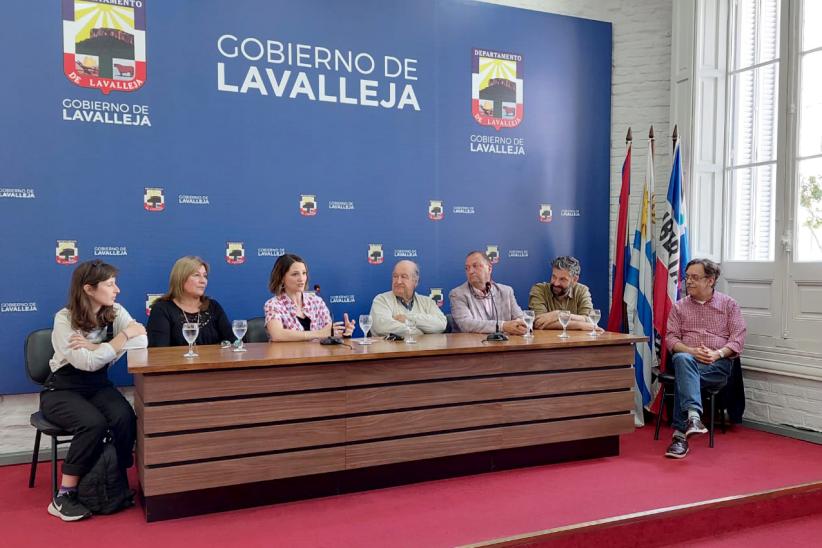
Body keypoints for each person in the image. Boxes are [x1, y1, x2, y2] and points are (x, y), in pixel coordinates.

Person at [40, 260, 148, 521]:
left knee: (124, 417)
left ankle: (115, 480)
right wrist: (120, 339)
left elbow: (142, 339)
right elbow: (85, 363)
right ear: (89, 289)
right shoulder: (63, 318)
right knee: (93, 424)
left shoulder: (115, 310)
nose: (117, 290)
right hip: (62, 389)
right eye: (110, 284)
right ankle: (64, 495)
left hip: (97, 386)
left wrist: (95, 347)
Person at [664, 258, 746, 459]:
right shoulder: (679, 307)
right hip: (687, 360)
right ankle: (691, 420)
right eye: (687, 277)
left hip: (716, 365)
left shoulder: (729, 305)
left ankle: (681, 435)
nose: (688, 282)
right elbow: (671, 338)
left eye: (694, 277)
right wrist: (691, 351)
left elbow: (738, 338)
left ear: (710, 280)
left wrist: (717, 353)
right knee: (683, 360)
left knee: (684, 374)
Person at [264, 253, 355, 341]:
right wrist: (319, 333)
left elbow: (328, 333)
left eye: (304, 273)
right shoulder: (273, 304)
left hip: (319, 355)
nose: (301, 278)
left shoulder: (316, 301)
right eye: (295, 274)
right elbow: (277, 335)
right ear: (282, 278)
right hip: (289, 356)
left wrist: (344, 335)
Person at [147, 256, 234, 347]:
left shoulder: (213, 306)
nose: (203, 281)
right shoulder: (162, 309)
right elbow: (159, 353)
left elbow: (233, 341)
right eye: (196, 275)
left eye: (204, 276)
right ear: (180, 278)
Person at [449, 251, 527, 335]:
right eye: (467, 268)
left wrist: (520, 325)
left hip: (505, 345)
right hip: (473, 345)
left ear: (489, 268)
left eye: (475, 266)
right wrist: (503, 326)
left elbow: (520, 318)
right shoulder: (458, 294)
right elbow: (466, 324)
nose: (470, 271)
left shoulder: (506, 291)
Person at [370, 260, 447, 336]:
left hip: (423, 348)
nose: (398, 281)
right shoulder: (381, 300)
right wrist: (418, 332)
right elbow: (381, 327)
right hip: (391, 348)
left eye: (404, 277)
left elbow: (441, 324)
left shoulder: (427, 302)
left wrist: (407, 318)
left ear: (416, 281)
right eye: (395, 276)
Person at [528, 256, 599, 332]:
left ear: (574, 280)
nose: (556, 283)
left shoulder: (582, 291)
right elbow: (538, 323)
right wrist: (579, 325)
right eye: (554, 277)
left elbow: (589, 320)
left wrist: (558, 315)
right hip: (547, 342)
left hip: (575, 341)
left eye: (562, 279)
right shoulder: (539, 290)